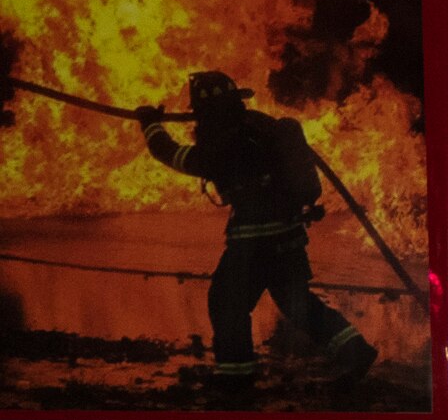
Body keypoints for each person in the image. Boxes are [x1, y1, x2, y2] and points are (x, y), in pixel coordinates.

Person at [135, 71, 375, 397]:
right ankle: (355, 351)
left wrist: (150, 125)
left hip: (253, 245)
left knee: (226, 302)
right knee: (297, 304)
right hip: (288, 238)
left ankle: (236, 378)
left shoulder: (222, 144)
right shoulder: (262, 126)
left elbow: (176, 156)